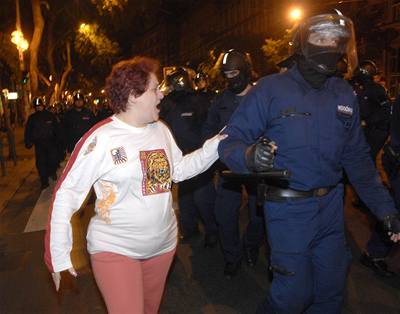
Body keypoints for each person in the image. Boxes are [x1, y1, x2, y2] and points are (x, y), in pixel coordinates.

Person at [218, 13, 400, 313]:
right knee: (292, 296)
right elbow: (230, 140)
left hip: (330, 208)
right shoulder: (270, 89)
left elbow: (357, 159)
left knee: (330, 293)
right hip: (289, 211)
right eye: (321, 38)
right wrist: (249, 156)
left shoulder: (343, 94)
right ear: (303, 44)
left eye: (335, 40)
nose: (330, 45)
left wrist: (384, 208)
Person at [44, 56, 226, 314]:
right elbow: (66, 194)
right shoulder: (101, 138)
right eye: (154, 89)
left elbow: (179, 170)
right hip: (115, 249)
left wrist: (216, 145)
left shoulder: (160, 129)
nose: (161, 95)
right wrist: (58, 255)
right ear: (132, 95)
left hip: (162, 248)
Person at [203, 49, 265, 278]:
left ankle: (250, 245)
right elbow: (208, 129)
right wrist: (214, 150)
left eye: (235, 72)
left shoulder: (262, 96)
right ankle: (232, 256)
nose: (231, 78)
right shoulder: (221, 100)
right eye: (226, 73)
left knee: (259, 215)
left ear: (246, 71)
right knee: (224, 215)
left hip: (257, 167)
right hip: (228, 166)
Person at [161, 67, 219, 247]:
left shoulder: (198, 101)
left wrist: (205, 151)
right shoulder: (167, 103)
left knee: (204, 198)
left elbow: (208, 126)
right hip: (178, 158)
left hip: (198, 158)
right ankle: (190, 229)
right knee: (185, 199)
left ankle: (212, 230)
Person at [24, 97, 60, 189]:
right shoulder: (32, 118)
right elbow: (28, 131)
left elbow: (57, 128)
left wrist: (59, 141)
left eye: (40, 106)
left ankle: (52, 172)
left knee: (53, 160)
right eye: (37, 106)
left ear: (43, 105)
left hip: (51, 143)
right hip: (39, 144)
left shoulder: (50, 116)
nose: (38, 107)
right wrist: (28, 141)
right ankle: (44, 181)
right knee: (41, 163)